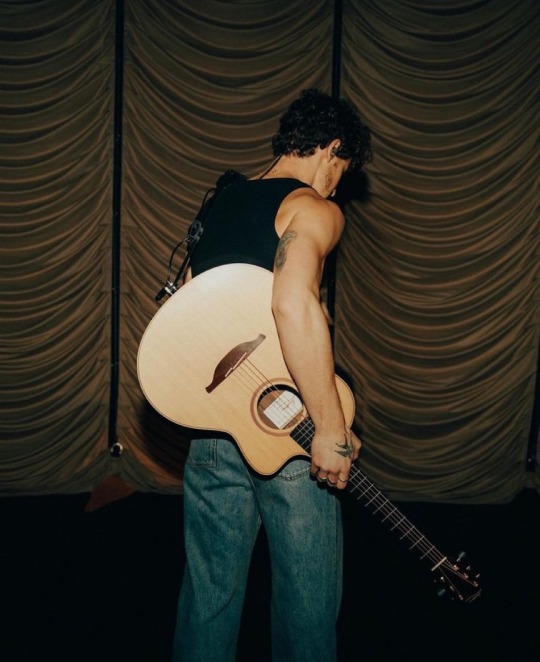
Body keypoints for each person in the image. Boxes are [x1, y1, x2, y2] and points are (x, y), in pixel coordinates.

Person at [172, 88, 372, 661]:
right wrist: (329, 430)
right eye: (342, 169)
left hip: (214, 430)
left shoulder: (221, 204)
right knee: (307, 605)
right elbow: (291, 304)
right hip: (289, 431)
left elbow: (186, 313)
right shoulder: (312, 208)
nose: (336, 185)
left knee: (208, 597)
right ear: (332, 148)